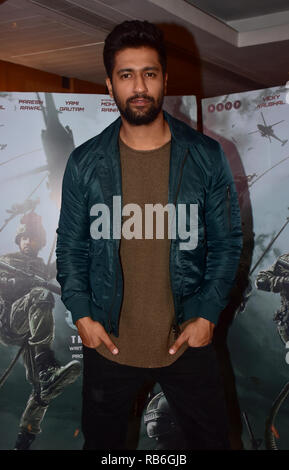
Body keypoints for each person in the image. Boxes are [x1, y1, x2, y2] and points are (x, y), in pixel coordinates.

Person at [56, 20, 243, 450]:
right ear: (110, 85)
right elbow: (69, 247)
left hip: (187, 341)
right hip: (109, 345)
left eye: (150, 73)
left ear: (164, 80)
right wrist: (82, 315)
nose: (139, 86)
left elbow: (227, 243)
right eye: (126, 75)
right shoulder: (85, 163)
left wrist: (208, 314)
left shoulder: (205, 156)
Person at [0, 211, 81, 450]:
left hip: (30, 331)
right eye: (24, 238)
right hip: (10, 322)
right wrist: (16, 283)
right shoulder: (7, 259)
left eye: (33, 239)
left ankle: (23, 440)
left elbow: (62, 265)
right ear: (18, 240)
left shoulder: (42, 268)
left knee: (44, 388)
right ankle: (46, 364)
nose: (28, 242)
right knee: (40, 294)